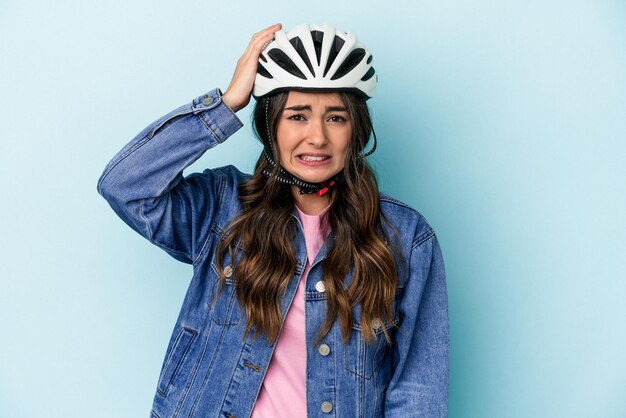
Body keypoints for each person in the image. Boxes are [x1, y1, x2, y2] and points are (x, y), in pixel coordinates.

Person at [97, 23, 449, 418]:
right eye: (297, 116)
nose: (317, 137)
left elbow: (418, 389)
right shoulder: (222, 208)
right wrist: (226, 104)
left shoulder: (405, 237)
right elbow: (125, 185)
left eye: (335, 118)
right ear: (270, 126)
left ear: (356, 129)